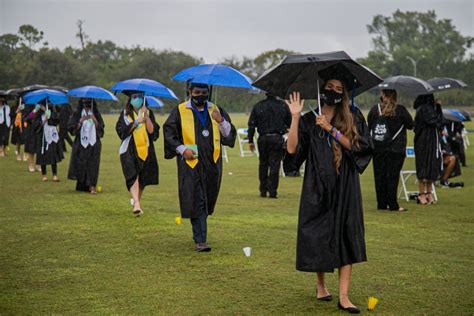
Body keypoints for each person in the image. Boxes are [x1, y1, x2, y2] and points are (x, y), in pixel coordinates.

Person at [286, 77, 373, 314]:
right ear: (321, 90)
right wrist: (295, 117)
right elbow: (292, 150)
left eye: (339, 89)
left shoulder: (352, 116)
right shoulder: (308, 119)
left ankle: (344, 296)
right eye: (329, 88)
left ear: (344, 93)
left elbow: (358, 148)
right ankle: (321, 286)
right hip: (318, 185)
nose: (333, 92)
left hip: (346, 186)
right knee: (318, 235)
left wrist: (330, 129)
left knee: (347, 234)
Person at [163, 83, 236, 252]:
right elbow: (169, 134)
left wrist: (221, 121)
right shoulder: (180, 111)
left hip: (212, 163)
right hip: (191, 163)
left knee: (208, 198)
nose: (201, 95)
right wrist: (182, 149)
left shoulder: (217, 110)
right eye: (197, 92)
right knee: (197, 200)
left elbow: (228, 135)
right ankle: (200, 240)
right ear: (190, 92)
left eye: (204, 92)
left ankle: (200, 232)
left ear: (209, 93)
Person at [367, 89, 414, 212]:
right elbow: (410, 124)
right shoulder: (400, 110)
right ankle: (393, 204)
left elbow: (369, 125)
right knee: (392, 177)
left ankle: (381, 203)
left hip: (378, 148)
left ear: (382, 96)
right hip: (396, 149)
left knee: (379, 176)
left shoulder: (374, 110)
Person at [115, 92, 159, 216]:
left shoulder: (148, 112)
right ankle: (137, 203)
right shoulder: (124, 115)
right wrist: (135, 122)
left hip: (146, 148)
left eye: (140, 97)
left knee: (143, 178)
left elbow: (153, 132)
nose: (137, 99)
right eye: (134, 97)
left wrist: (146, 118)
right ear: (130, 99)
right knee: (133, 175)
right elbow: (121, 132)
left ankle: (136, 201)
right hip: (129, 149)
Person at [247, 93, 291, 198]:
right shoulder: (283, 106)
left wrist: (250, 140)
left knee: (263, 164)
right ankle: (273, 191)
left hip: (263, 138)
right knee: (275, 165)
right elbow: (289, 123)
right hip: (277, 137)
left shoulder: (258, 106)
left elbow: (252, 125)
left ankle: (263, 189)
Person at [68, 98, 105, 194]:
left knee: (93, 164)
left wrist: (94, 120)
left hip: (94, 143)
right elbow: (72, 129)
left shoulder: (95, 113)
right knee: (81, 164)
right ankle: (83, 184)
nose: (87, 107)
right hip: (81, 144)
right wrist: (80, 121)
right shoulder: (77, 114)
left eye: (88, 105)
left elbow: (101, 129)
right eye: (85, 105)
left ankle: (92, 186)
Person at [413, 94, 443, 205]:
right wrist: (439, 107)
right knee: (423, 168)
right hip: (424, 142)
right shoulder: (424, 109)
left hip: (429, 142)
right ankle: (421, 194)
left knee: (431, 167)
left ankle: (429, 193)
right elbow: (437, 121)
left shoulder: (425, 109)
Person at [29, 101, 64, 182]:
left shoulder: (52, 113)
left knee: (53, 156)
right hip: (42, 138)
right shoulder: (38, 116)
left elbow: (56, 122)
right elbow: (36, 127)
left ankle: (55, 175)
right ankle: (44, 175)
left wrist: (50, 115)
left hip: (52, 137)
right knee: (42, 156)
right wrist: (44, 120)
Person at [23, 102, 38, 172]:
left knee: (39, 148)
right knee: (31, 149)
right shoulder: (28, 105)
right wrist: (34, 111)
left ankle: (40, 165)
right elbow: (25, 119)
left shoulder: (42, 104)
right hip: (30, 129)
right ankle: (31, 164)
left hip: (39, 129)